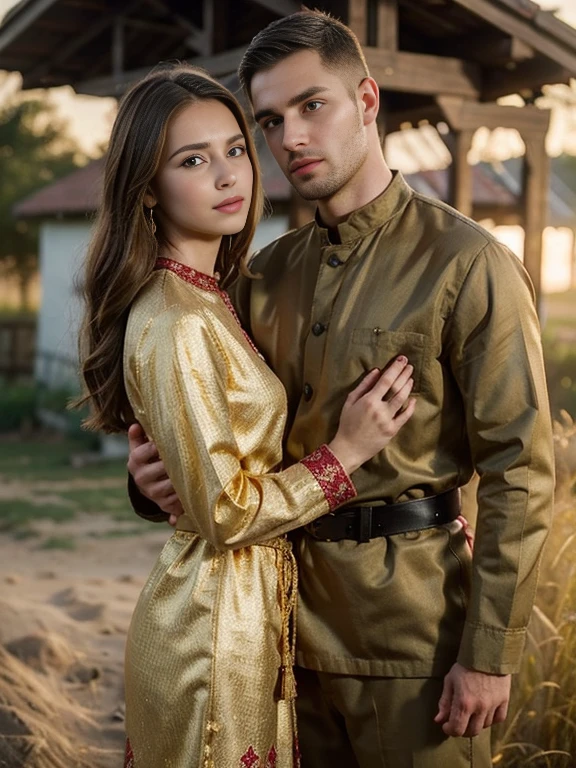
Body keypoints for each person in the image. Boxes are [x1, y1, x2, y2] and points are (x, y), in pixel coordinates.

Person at [127, 11, 555, 767]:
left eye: (311, 106)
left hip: (416, 641)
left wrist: (489, 649)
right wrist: (148, 479)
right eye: (270, 120)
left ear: (367, 99)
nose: (289, 137)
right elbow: (222, 436)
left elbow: (521, 469)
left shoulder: (468, 263)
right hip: (279, 639)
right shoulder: (262, 276)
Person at [76, 62, 417, 768]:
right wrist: (347, 454)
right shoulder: (177, 320)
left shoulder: (216, 296)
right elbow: (226, 513)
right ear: (147, 188)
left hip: (243, 614)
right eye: (194, 160)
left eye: (235, 149)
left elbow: (212, 463)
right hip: (210, 628)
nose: (230, 174)